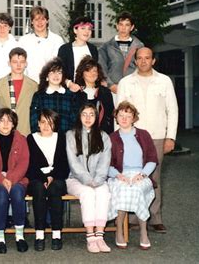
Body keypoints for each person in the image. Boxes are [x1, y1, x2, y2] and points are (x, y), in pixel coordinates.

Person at [117, 47, 178, 233]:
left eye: (147, 58)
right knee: (133, 175)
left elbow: (172, 110)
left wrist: (171, 137)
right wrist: (118, 140)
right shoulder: (126, 82)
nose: (143, 61)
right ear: (135, 61)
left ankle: (155, 218)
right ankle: (134, 218)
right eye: (140, 58)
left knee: (154, 177)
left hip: (157, 135)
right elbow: (119, 112)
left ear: (153, 61)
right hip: (131, 136)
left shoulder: (164, 81)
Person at [108, 101, 158, 250]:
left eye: (128, 116)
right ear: (116, 117)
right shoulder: (111, 138)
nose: (124, 119)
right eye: (121, 115)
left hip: (140, 174)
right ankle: (119, 230)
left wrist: (142, 174)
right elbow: (106, 164)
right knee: (124, 189)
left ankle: (144, 230)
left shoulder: (144, 135)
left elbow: (152, 159)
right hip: (119, 175)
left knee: (136, 189)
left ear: (134, 118)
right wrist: (117, 175)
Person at [66, 103, 112, 253]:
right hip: (75, 179)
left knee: (103, 193)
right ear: (79, 116)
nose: (87, 118)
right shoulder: (71, 135)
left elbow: (105, 162)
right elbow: (73, 163)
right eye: (84, 114)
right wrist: (87, 180)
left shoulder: (104, 136)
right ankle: (90, 236)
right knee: (88, 193)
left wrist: (98, 180)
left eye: (91, 114)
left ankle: (100, 235)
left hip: (98, 179)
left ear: (96, 117)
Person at [0, 108, 29, 254]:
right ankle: (0, 237)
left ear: (14, 124)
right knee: (1, 194)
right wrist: (1, 179)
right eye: (2, 120)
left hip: (17, 179)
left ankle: (20, 236)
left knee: (17, 193)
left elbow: (24, 163)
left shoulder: (21, 139)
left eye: (9, 121)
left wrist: (10, 178)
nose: (5, 124)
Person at [26, 109, 69, 251]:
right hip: (36, 178)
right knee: (38, 188)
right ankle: (39, 234)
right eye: (43, 122)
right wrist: (43, 178)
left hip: (57, 177)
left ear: (55, 124)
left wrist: (51, 176)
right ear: (38, 123)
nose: (46, 126)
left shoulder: (61, 137)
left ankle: (57, 234)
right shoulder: (31, 138)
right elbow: (30, 165)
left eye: (50, 123)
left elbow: (64, 164)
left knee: (55, 188)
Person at [0, 47, 38, 136]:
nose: (18, 65)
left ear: (26, 64)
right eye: (15, 62)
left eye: (22, 62)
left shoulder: (34, 86)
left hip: (26, 131)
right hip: (4, 132)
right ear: (9, 63)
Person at [98, 11, 144, 97]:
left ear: (132, 27)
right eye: (121, 24)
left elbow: (143, 68)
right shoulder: (106, 47)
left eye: (127, 25)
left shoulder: (139, 46)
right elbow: (101, 68)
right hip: (113, 90)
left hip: (133, 90)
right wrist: (110, 85)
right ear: (117, 26)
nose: (123, 28)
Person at [30, 57, 77, 134]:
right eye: (52, 73)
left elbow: (74, 121)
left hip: (65, 139)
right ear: (46, 77)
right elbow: (34, 121)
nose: (56, 76)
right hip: (44, 138)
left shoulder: (70, 96)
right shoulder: (39, 96)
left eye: (59, 73)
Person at [18, 6, 64, 83]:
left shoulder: (57, 40)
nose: (40, 23)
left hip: (51, 84)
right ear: (32, 21)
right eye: (36, 19)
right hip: (29, 83)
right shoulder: (23, 41)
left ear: (47, 21)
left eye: (43, 19)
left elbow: (60, 65)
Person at [74, 56, 114, 134]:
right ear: (82, 73)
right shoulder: (76, 93)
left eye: (94, 71)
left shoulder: (105, 92)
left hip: (102, 134)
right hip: (80, 134)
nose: (92, 73)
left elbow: (111, 116)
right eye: (88, 71)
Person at [57, 16, 98, 88]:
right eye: (83, 28)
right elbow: (59, 72)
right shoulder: (65, 49)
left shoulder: (93, 49)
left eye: (89, 29)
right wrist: (69, 84)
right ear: (75, 30)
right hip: (70, 91)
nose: (86, 31)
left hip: (90, 90)